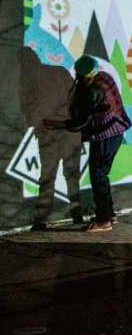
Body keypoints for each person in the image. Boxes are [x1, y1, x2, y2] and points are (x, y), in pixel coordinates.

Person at [43, 54, 132, 232]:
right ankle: (108, 214)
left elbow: (79, 123)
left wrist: (57, 124)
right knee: (102, 176)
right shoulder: (105, 77)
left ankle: (104, 220)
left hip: (104, 136)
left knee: (98, 176)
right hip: (117, 132)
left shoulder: (92, 91)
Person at [19, 47, 83, 231]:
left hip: (48, 134)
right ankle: (77, 215)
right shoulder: (59, 72)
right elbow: (76, 99)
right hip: (70, 132)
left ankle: (41, 219)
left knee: (47, 177)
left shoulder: (26, 83)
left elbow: (29, 116)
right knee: (72, 176)